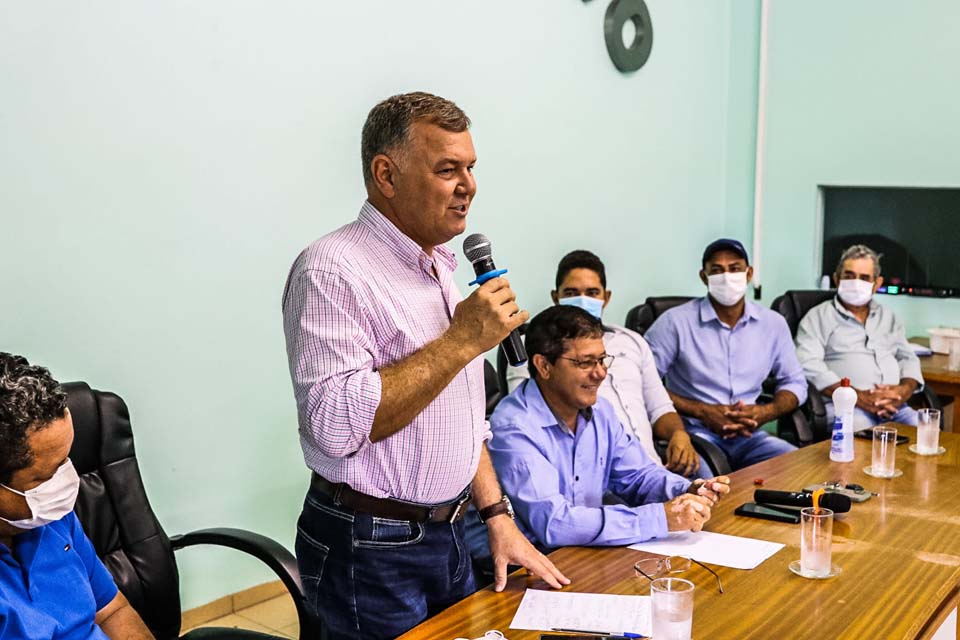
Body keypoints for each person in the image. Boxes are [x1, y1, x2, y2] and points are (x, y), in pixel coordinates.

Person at [281, 92, 568, 640]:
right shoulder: (331, 271)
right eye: (447, 169)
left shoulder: (437, 265)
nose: (469, 186)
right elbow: (337, 427)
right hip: (369, 544)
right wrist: (462, 341)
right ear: (386, 175)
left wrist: (496, 513)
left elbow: (460, 417)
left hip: (453, 531)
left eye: (471, 168)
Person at [489, 306, 730, 549]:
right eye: (585, 363)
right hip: (526, 567)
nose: (601, 373)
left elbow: (637, 476)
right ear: (543, 366)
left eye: (602, 360)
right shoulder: (514, 427)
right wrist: (661, 518)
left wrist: (688, 489)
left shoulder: (600, 411)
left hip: (584, 551)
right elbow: (555, 524)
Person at [505, 249, 710, 478]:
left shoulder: (632, 341)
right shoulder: (532, 347)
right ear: (556, 297)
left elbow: (659, 406)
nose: (600, 373)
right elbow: (530, 417)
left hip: (650, 468)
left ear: (606, 297)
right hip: (592, 474)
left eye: (592, 292)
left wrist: (678, 434)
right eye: (572, 292)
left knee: (710, 491)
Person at [0, 352, 154, 640]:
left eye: (66, 462)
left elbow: (111, 610)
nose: (66, 482)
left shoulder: (54, 520)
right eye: (45, 476)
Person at [645, 239, 806, 470]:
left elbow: (795, 382)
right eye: (717, 270)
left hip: (751, 437)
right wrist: (702, 411)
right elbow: (644, 382)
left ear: (749, 274)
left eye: (735, 268)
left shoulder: (773, 324)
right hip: (695, 434)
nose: (727, 276)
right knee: (703, 489)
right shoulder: (675, 322)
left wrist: (765, 411)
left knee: (800, 467)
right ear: (704, 276)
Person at [796, 244, 923, 429]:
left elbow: (908, 358)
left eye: (864, 278)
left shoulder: (889, 317)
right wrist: (858, 397)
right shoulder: (817, 317)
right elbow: (808, 365)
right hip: (846, 408)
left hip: (894, 406)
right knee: (863, 440)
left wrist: (902, 391)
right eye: (849, 276)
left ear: (877, 284)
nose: (856, 283)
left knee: (926, 433)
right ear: (837, 279)